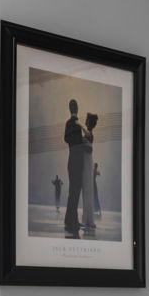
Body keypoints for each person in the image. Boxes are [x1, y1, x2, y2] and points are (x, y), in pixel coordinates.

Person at [62, 99, 90, 236]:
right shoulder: (78, 124)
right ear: (77, 108)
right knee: (75, 192)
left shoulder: (68, 123)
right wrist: (83, 143)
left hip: (70, 161)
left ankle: (70, 219)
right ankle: (71, 221)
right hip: (77, 162)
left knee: (72, 192)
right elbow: (77, 142)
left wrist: (76, 142)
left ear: (69, 109)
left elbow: (66, 139)